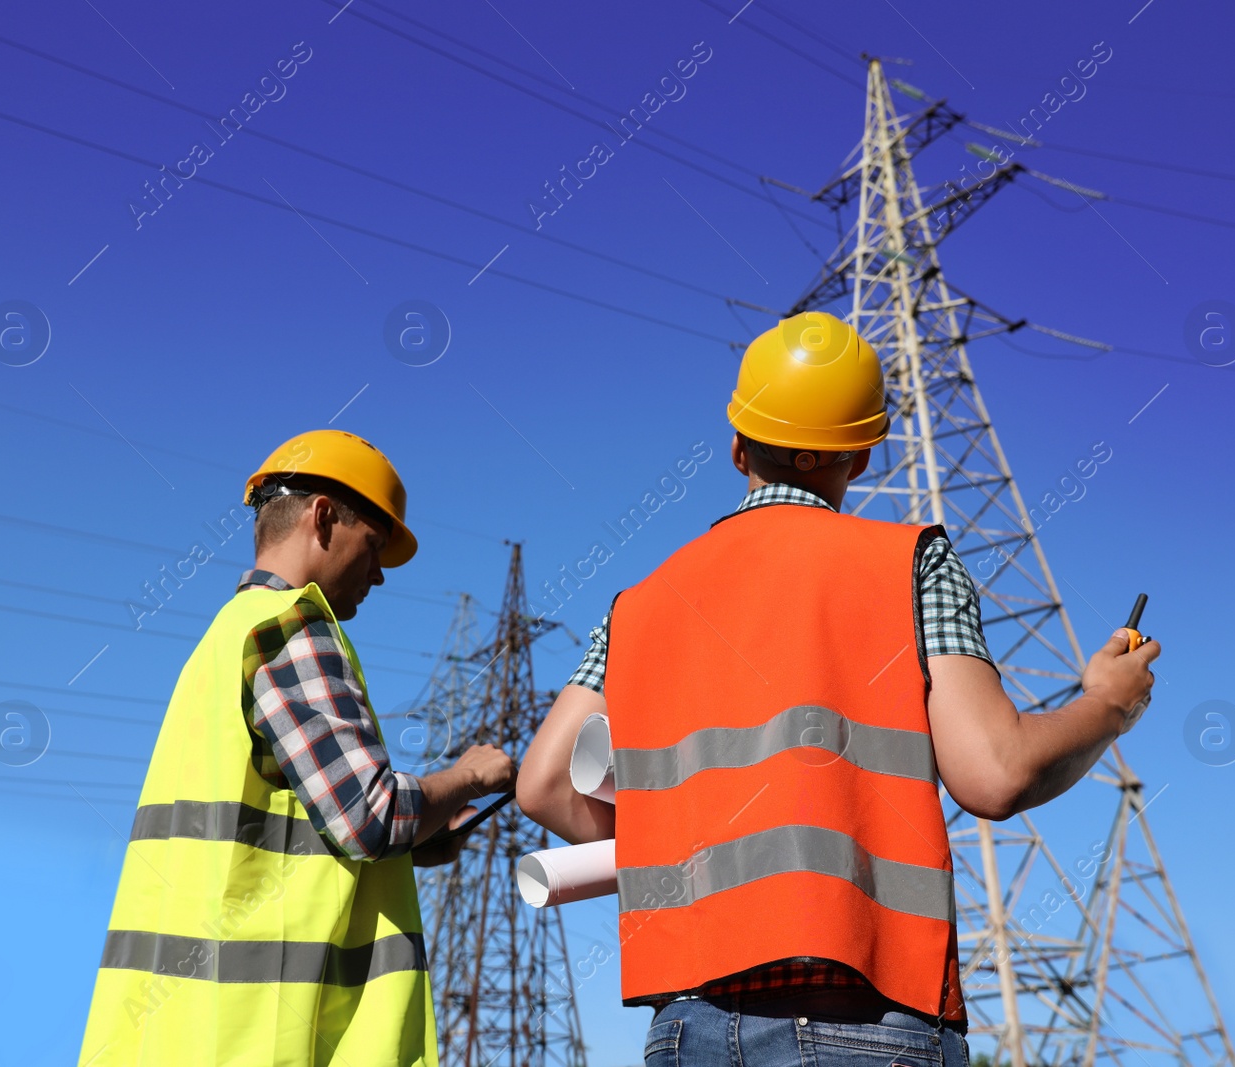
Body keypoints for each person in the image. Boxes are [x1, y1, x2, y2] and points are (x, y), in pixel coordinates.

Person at [517, 313, 1159, 1067]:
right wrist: (1107, 705)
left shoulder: (640, 604)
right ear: (859, 456)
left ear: (736, 446)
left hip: (686, 1029)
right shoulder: (907, 563)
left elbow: (546, 782)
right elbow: (996, 771)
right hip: (864, 1016)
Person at [77, 429, 515, 1067]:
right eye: (374, 547)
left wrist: (418, 842)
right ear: (324, 517)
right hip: (264, 1037)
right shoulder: (293, 629)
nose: (378, 576)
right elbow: (372, 815)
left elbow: (283, 838)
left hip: (180, 1033)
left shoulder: (225, 639)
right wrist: (470, 777)